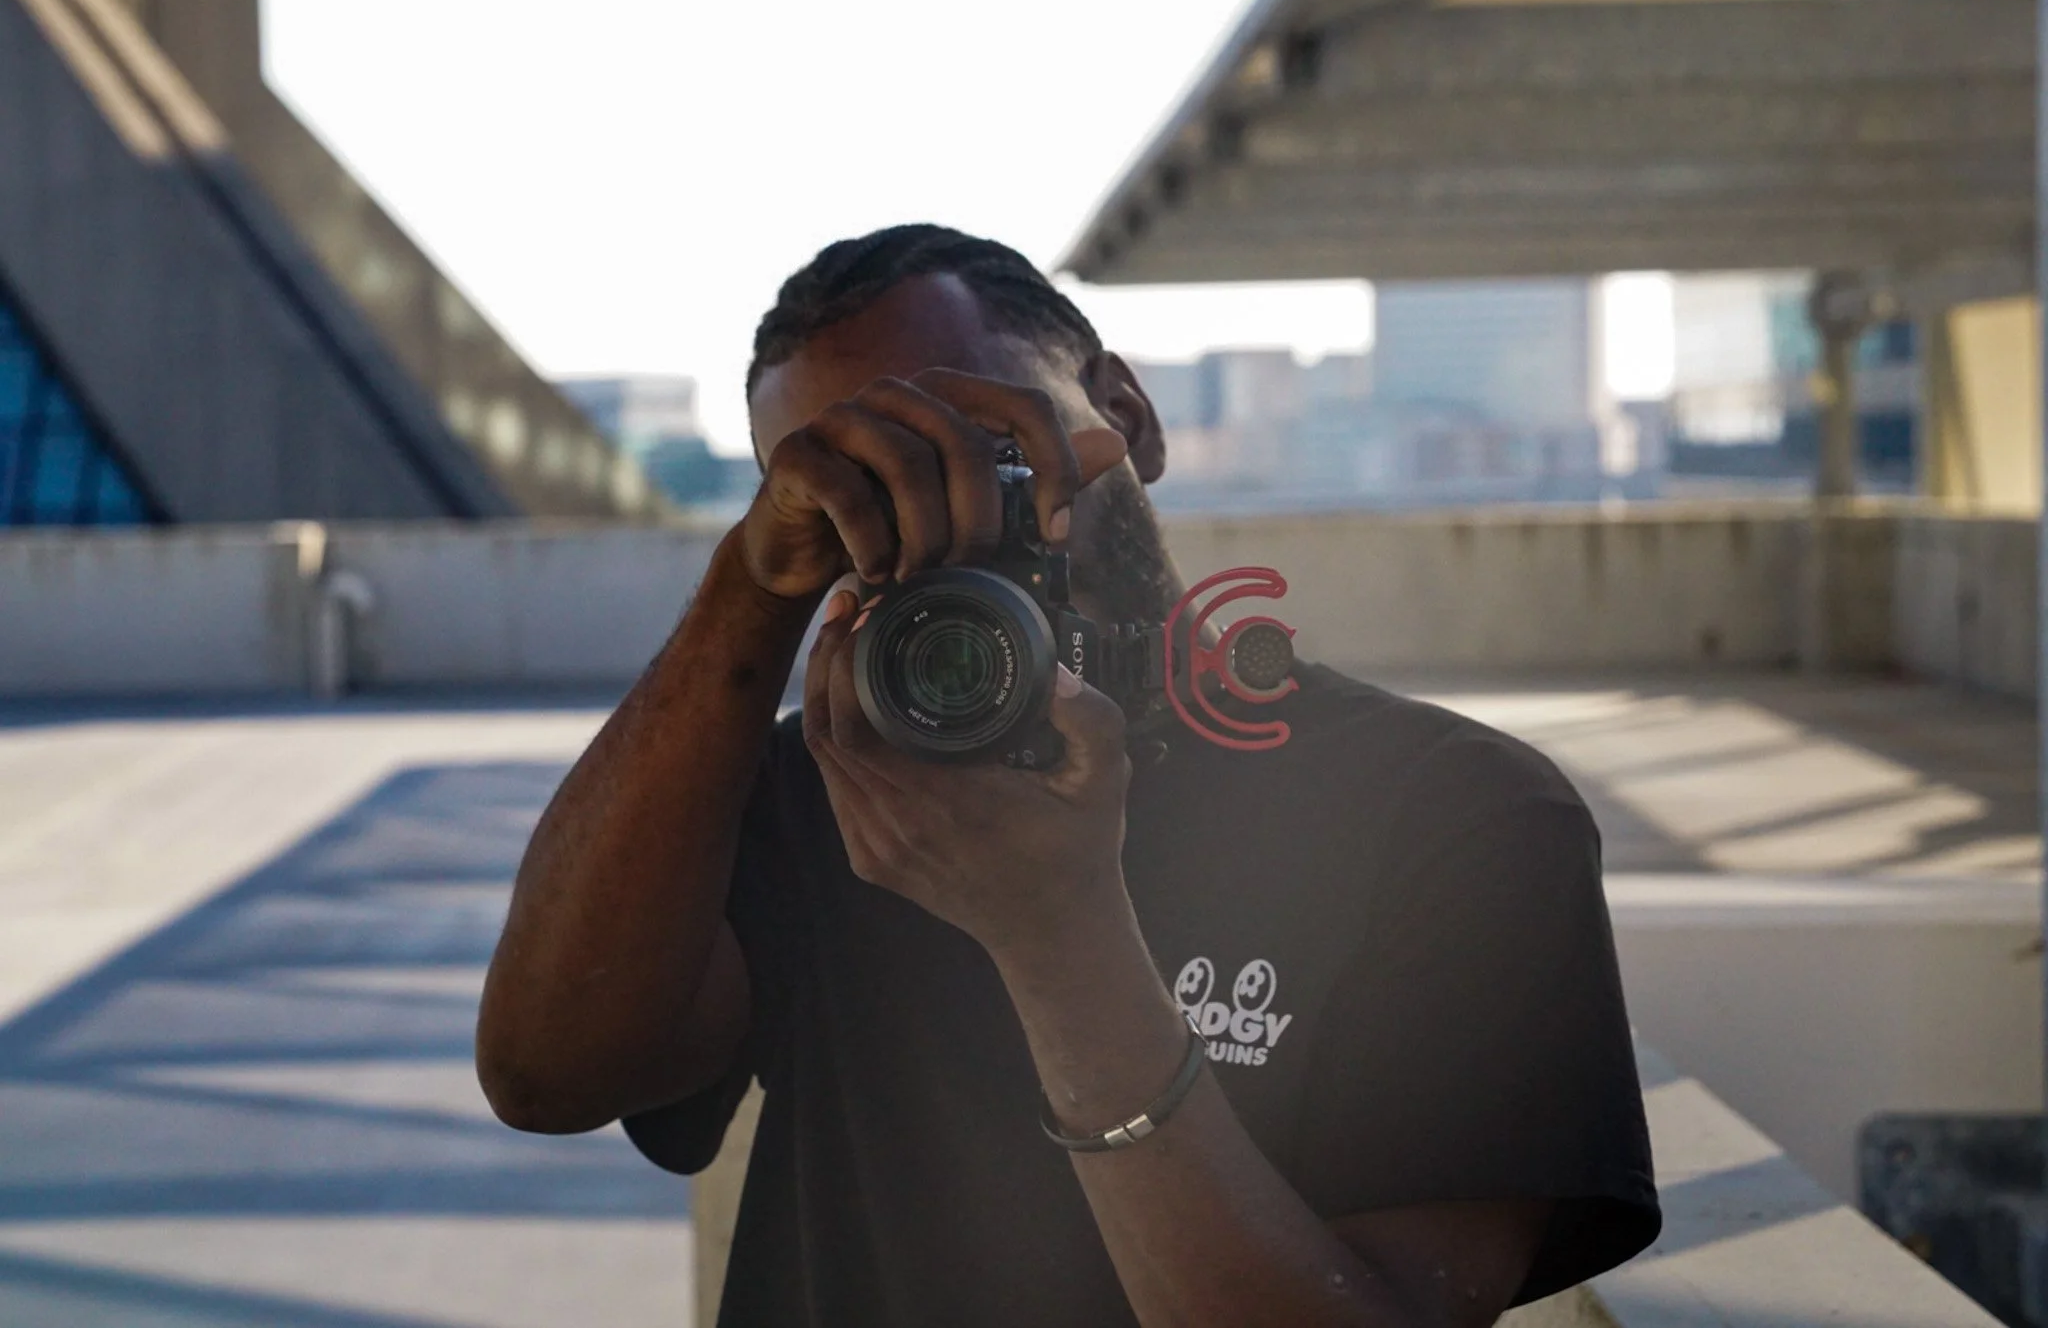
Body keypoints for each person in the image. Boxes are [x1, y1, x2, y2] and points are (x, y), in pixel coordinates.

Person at [476, 225, 1660, 1327]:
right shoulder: (817, 789)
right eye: (857, 496)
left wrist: (1057, 937)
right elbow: (545, 1074)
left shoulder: (1454, 816)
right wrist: (748, 586)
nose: (934, 522)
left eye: (984, 449)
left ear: (1126, 414)